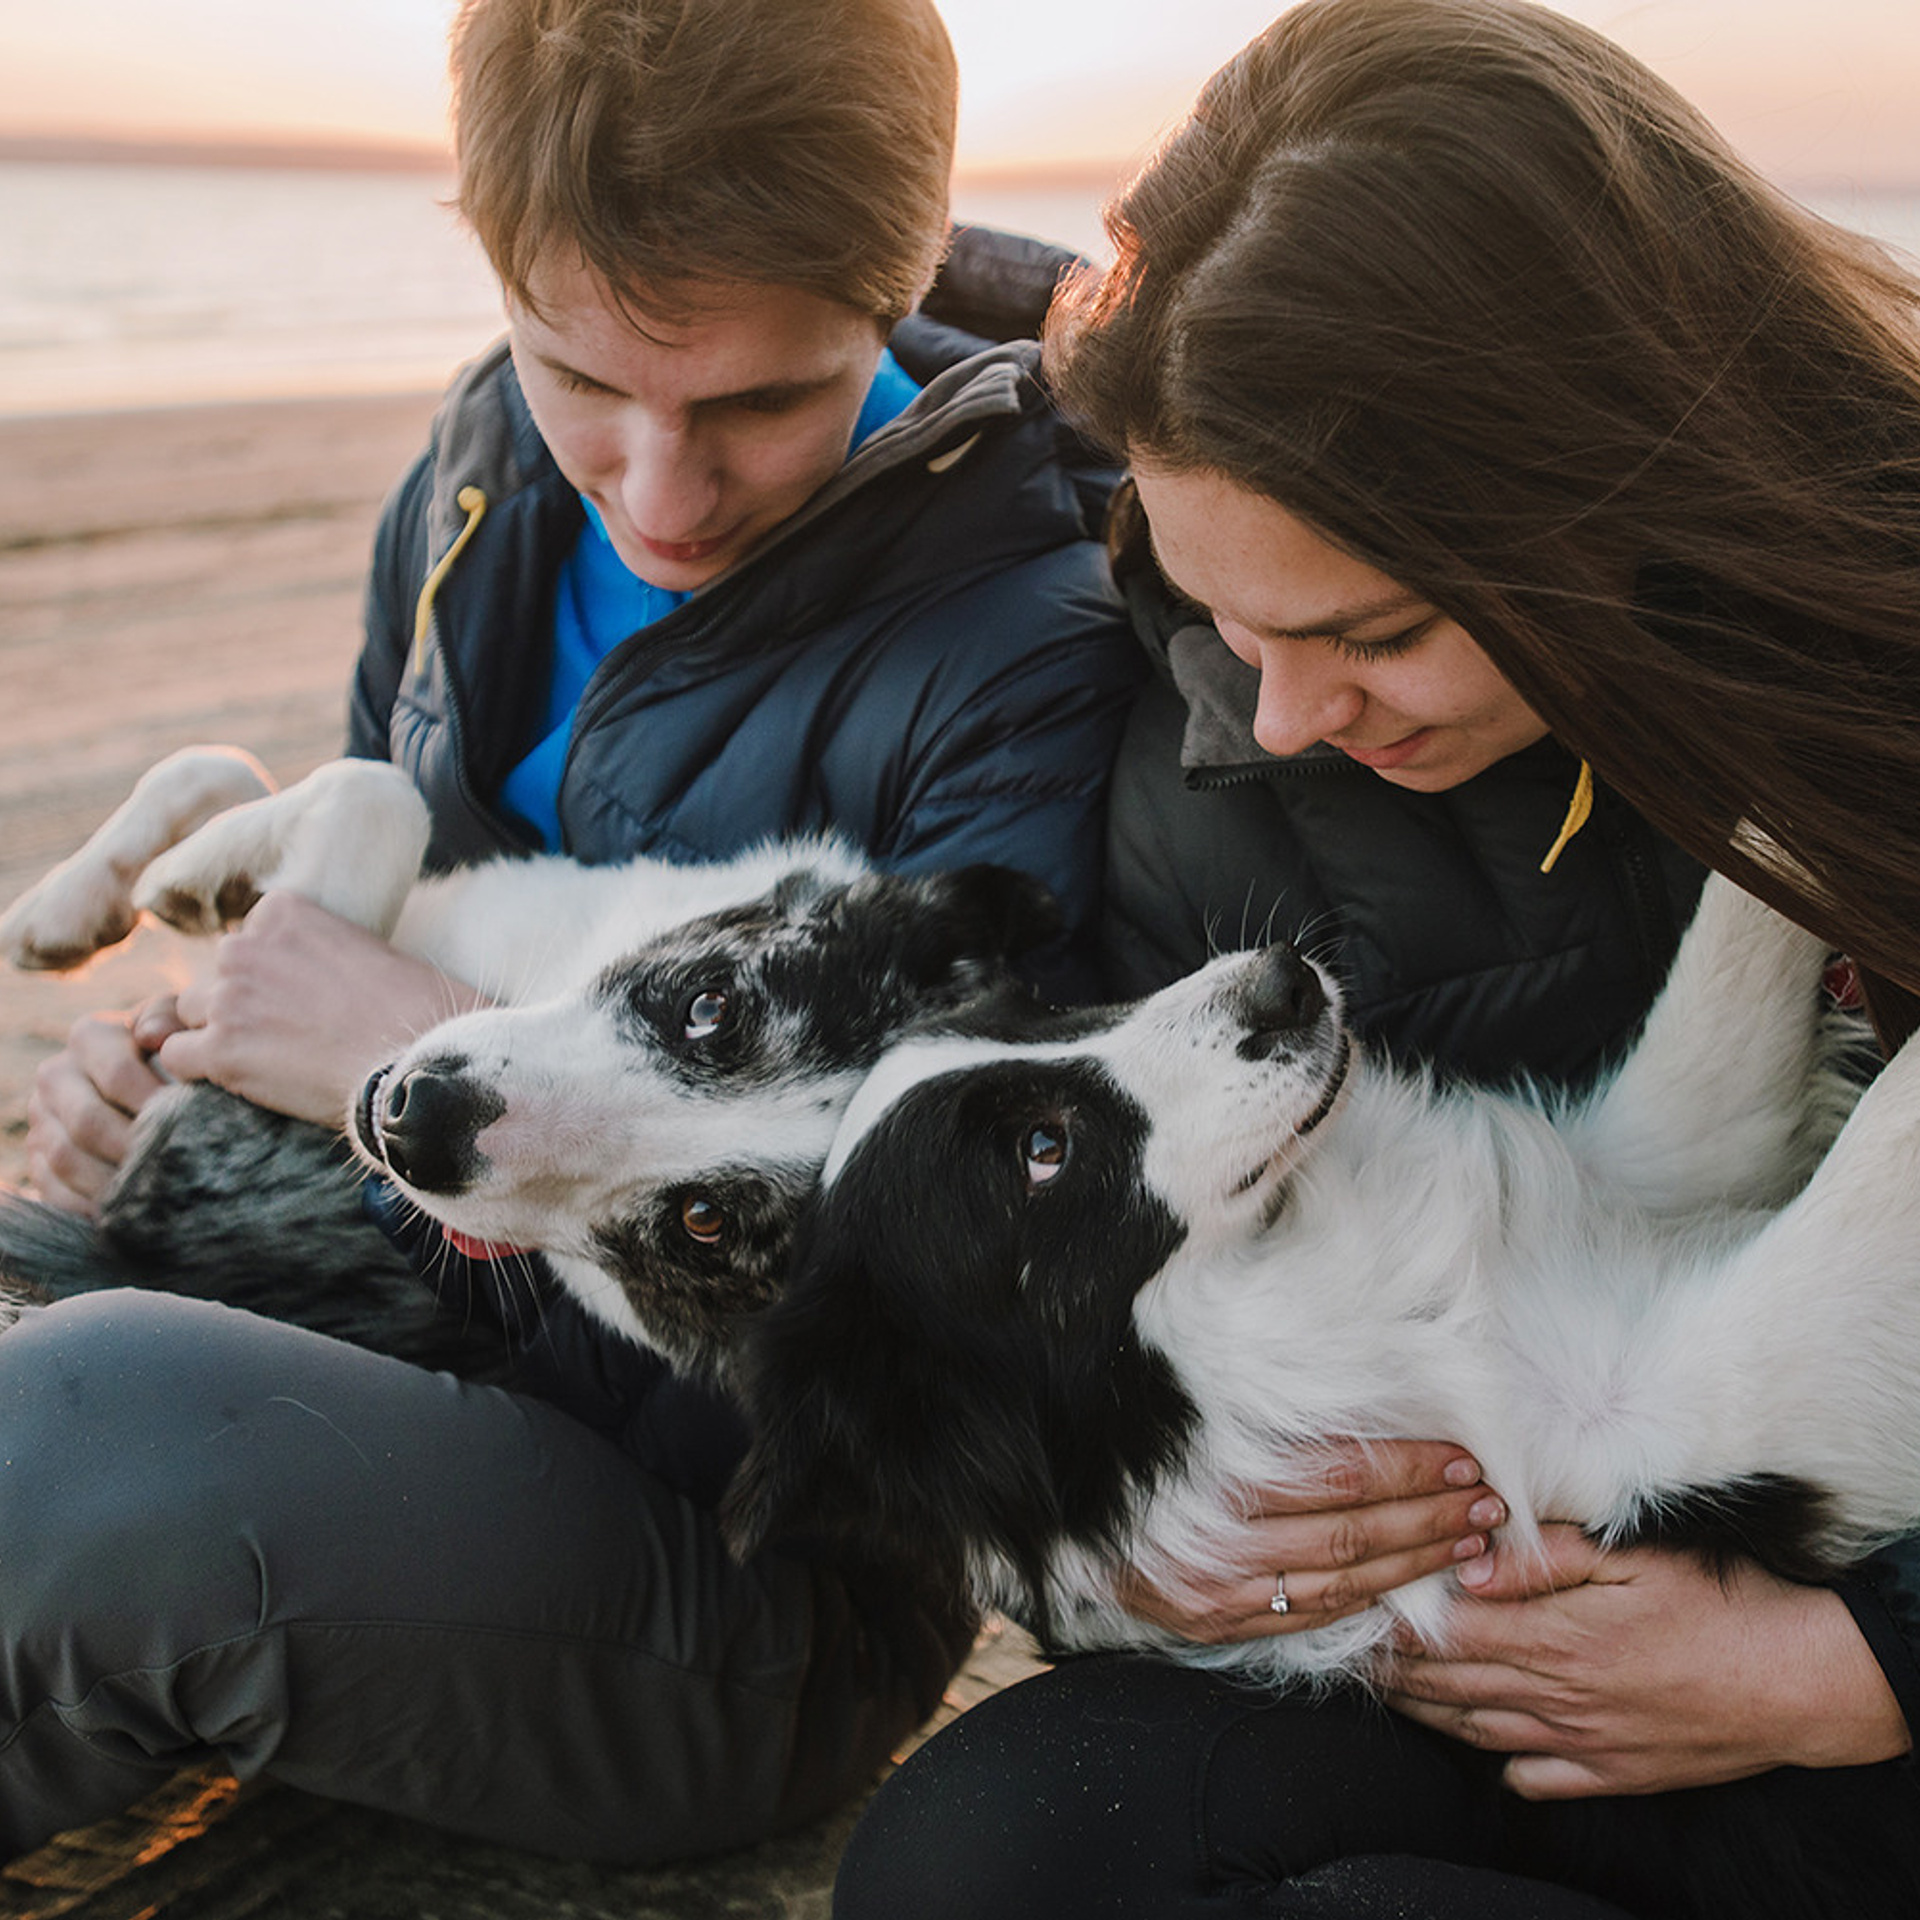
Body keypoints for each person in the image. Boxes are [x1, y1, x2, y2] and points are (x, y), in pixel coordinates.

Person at [2, 0, 1141, 1865]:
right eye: (575, 375)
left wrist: (395, 1064)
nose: (659, 492)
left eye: (762, 400)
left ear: (896, 273)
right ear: (490, 262)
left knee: (79, 1443)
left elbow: (916, 1312)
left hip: (729, 1575)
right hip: (328, 1348)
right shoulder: (476, 468)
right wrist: (185, 1084)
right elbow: (346, 899)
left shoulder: (1028, 653)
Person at [831, 2, 1920, 1915]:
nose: (1282, 716)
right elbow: (1014, 1286)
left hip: (1841, 1681)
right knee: (982, 1863)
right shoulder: (1212, 743)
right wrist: (1120, 1561)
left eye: (1375, 631)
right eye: (1222, 604)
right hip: (1526, 1678)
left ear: (1612, 488)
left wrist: (1853, 1675)